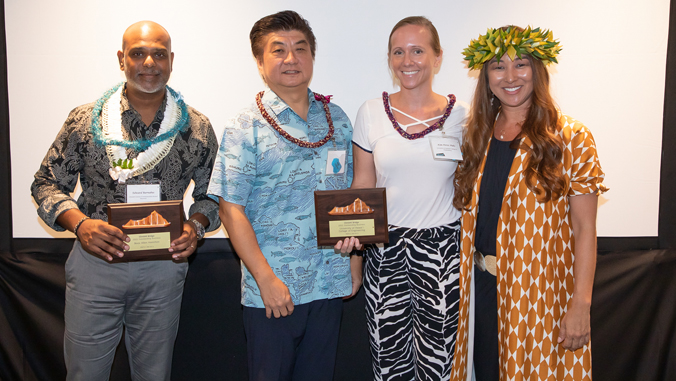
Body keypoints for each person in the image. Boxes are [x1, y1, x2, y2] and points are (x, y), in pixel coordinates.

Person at [31, 21, 219, 380]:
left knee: (154, 374)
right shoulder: (85, 121)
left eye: (159, 54)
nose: (149, 62)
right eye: (138, 53)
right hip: (96, 266)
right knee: (85, 373)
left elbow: (212, 195)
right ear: (122, 59)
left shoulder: (195, 127)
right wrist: (80, 225)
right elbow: (45, 183)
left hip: (163, 268)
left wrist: (196, 228)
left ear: (171, 60)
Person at [207, 10, 359, 381]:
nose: (291, 59)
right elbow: (230, 210)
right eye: (278, 50)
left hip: (329, 282)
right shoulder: (245, 126)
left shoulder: (336, 118)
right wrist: (265, 279)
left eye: (300, 48)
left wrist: (355, 261)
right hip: (275, 291)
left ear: (312, 56)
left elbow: (352, 197)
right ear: (260, 63)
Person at [449, 26, 607, 381]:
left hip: (540, 294)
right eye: (498, 67)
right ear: (485, 76)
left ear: (538, 70)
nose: (510, 77)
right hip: (481, 294)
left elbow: (585, 228)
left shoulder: (570, 137)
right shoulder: (475, 135)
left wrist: (581, 302)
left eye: (520, 64)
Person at [337, 16, 468, 380]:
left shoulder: (462, 116)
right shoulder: (371, 112)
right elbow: (363, 185)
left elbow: (469, 187)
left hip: (444, 252)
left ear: (438, 57)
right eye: (398, 52)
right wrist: (356, 258)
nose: (407, 60)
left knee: (441, 361)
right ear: (390, 59)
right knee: (388, 356)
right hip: (385, 250)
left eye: (417, 50)